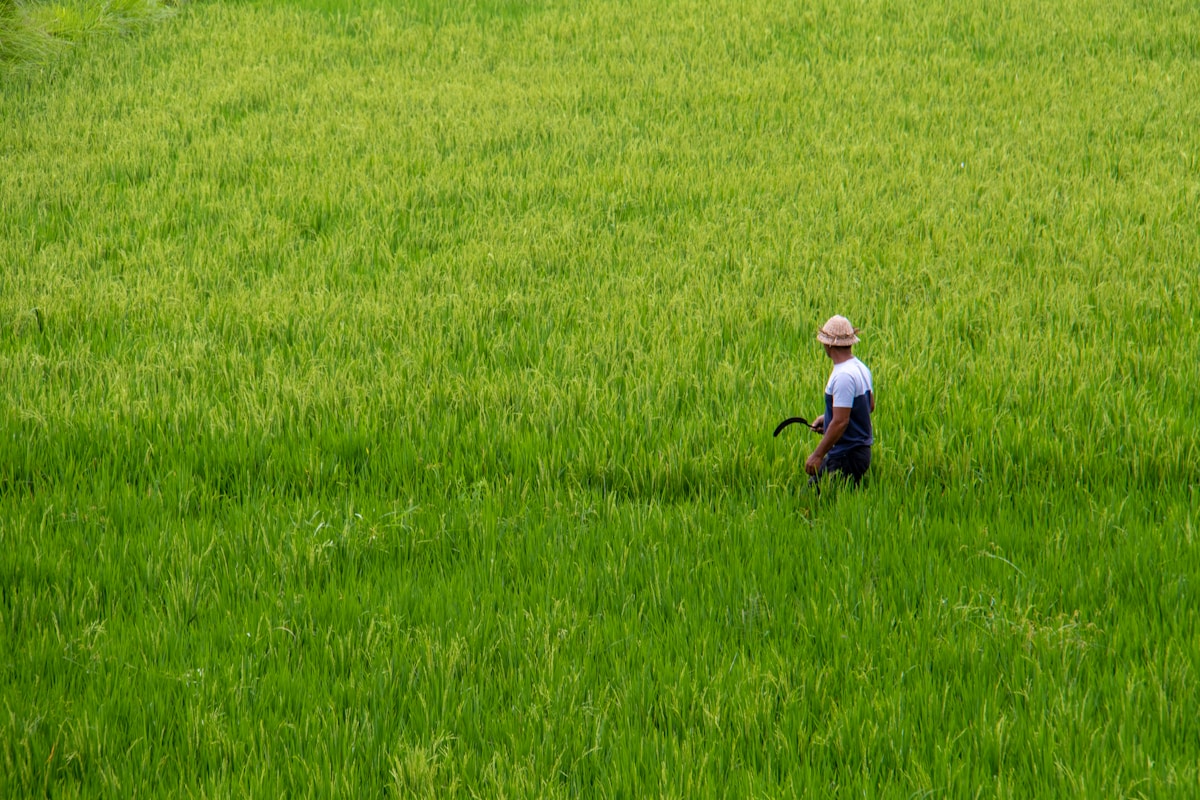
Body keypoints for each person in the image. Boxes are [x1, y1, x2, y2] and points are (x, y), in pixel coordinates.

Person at [804, 315, 874, 486]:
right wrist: (827, 419)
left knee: (813, 500)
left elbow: (841, 421)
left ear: (828, 344)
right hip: (859, 453)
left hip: (846, 456)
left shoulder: (843, 375)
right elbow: (868, 406)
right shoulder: (860, 367)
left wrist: (817, 455)